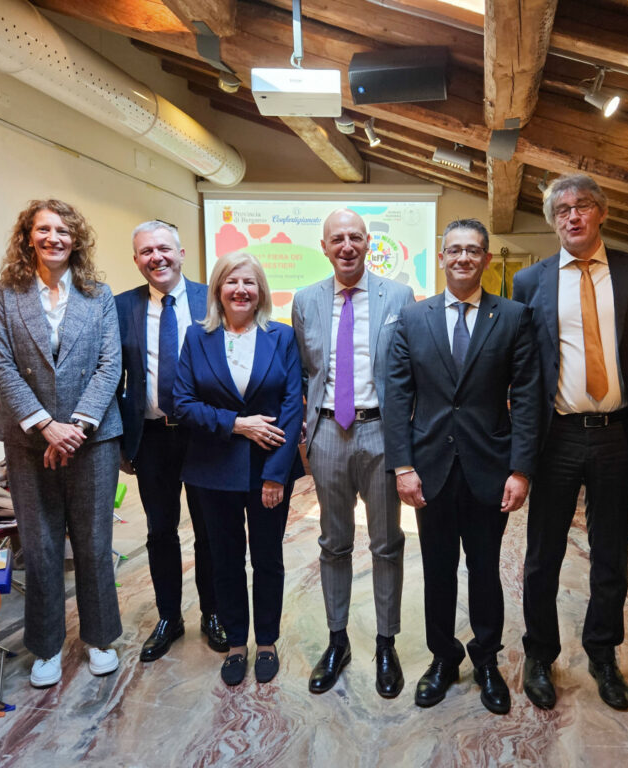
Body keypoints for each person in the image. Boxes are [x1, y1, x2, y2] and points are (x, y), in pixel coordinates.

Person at [512, 173, 628, 712]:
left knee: (611, 554)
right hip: (557, 435)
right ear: (553, 221)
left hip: (617, 433)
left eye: (582, 206)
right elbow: (528, 365)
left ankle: (602, 652)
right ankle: (539, 653)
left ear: (601, 212)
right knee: (542, 555)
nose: (572, 216)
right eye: (562, 210)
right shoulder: (529, 281)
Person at [383, 219, 540, 715]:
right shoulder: (413, 317)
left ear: (486, 259)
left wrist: (521, 470)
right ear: (442, 257)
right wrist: (402, 466)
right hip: (429, 468)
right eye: (454, 250)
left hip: (490, 468)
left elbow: (528, 397)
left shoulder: (513, 317)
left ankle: (486, 660)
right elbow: (397, 396)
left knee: (485, 569)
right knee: (437, 569)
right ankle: (443, 658)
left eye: (473, 250)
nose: (463, 258)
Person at [0, 199, 123, 688]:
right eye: (44, 229)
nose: (54, 238)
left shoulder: (98, 294)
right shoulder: (6, 294)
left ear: (76, 239)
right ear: (28, 237)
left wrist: (75, 428)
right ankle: (45, 647)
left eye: (63, 230)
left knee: (94, 543)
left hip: (93, 439)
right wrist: (47, 426)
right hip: (28, 441)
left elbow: (110, 364)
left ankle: (100, 639)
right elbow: (1, 365)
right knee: (41, 547)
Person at [292, 209, 414, 698]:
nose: (347, 246)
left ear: (368, 244)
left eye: (355, 238)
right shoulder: (305, 300)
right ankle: (337, 641)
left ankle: (386, 644)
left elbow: (410, 369)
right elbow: (304, 370)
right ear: (324, 247)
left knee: (386, 544)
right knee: (333, 543)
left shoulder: (398, 296)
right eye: (337, 239)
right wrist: (305, 433)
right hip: (327, 433)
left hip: (381, 431)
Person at [173, 251, 303, 686]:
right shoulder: (197, 337)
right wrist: (237, 424)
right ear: (218, 290)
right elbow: (183, 403)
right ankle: (235, 644)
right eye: (231, 282)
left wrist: (276, 474)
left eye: (249, 282)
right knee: (224, 560)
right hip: (212, 469)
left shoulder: (281, 336)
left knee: (267, 558)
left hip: (268, 468)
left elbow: (291, 407)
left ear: (261, 291)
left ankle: (266, 641)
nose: (240, 290)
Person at [115, 220, 227, 663]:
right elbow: (113, 376)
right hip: (152, 438)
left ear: (181, 254)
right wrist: (122, 440)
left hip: (204, 437)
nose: (156, 257)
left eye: (164, 248)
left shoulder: (212, 298)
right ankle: (169, 617)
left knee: (209, 530)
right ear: (136, 260)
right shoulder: (122, 306)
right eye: (146, 251)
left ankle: (213, 613)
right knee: (160, 531)